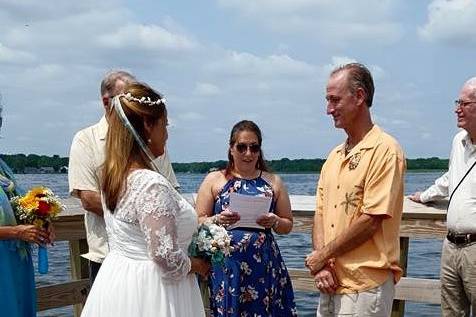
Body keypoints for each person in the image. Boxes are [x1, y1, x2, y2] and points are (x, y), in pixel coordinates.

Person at [80, 82, 208, 316]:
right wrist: (198, 265)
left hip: (119, 281)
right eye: (164, 125)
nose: (167, 134)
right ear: (148, 126)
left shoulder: (115, 177)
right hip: (156, 291)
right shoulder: (150, 184)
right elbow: (165, 257)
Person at [305, 63, 406, 316]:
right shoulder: (333, 157)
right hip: (330, 282)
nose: (329, 109)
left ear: (360, 96)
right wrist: (322, 265)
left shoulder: (385, 150)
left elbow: (371, 220)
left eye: (335, 100)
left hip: (365, 286)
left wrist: (321, 256)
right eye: (328, 100)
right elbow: (320, 213)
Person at [68, 70, 179, 284]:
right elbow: (89, 199)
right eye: (126, 100)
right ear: (106, 102)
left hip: (153, 262)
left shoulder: (156, 147)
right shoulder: (85, 140)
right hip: (109, 256)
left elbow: (171, 192)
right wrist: (148, 217)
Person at [195, 120, 298, 317]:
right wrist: (217, 219)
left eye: (254, 147)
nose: (248, 153)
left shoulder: (273, 181)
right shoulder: (214, 179)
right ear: (231, 148)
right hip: (227, 266)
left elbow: (288, 225)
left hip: (264, 266)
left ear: (259, 150)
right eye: (241, 147)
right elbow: (198, 219)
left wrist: (275, 220)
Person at [409, 77, 476, 316]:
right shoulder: (458, 141)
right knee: (451, 312)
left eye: (464, 103)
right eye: (457, 102)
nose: (456, 109)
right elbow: (450, 178)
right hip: (450, 245)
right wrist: (425, 196)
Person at [0, 101, 51, 316]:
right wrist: (16, 232)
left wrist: (42, 221)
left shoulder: (3, 167)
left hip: (16, 263)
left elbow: (19, 205)